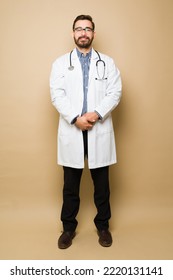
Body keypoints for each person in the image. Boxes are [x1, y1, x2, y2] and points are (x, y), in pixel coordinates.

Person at [50, 15, 122, 249]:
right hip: (73, 129)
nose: (83, 33)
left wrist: (95, 114)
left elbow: (115, 92)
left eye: (87, 29)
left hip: (97, 127)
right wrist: (75, 118)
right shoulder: (60, 63)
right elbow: (57, 94)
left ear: (93, 33)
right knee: (70, 186)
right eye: (79, 29)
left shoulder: (107, 63)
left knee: (101, 185)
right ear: (73, 33)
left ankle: (103, 226)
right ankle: (68, 228)